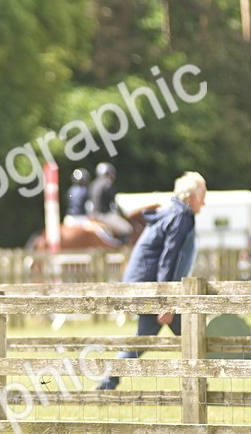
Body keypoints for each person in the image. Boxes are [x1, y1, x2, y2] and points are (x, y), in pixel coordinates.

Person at [97, 172, 207, 391]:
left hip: (147, 286)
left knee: (184, 334)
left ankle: (199, 385)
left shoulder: (174, 213)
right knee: (185, 334)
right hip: (151, 289)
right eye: (202, 196)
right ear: (190, 197)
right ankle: (199, 387)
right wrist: (167, 302)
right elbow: (169, 261)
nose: (204, 202)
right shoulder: (181, 217)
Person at [88, 162, 132, 242]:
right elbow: (113, 204)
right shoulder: (107, 184)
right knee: (127, 229)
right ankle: (120, 246)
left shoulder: (93, 184)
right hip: (104, 215)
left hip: (93, 214)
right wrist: (122, 213)